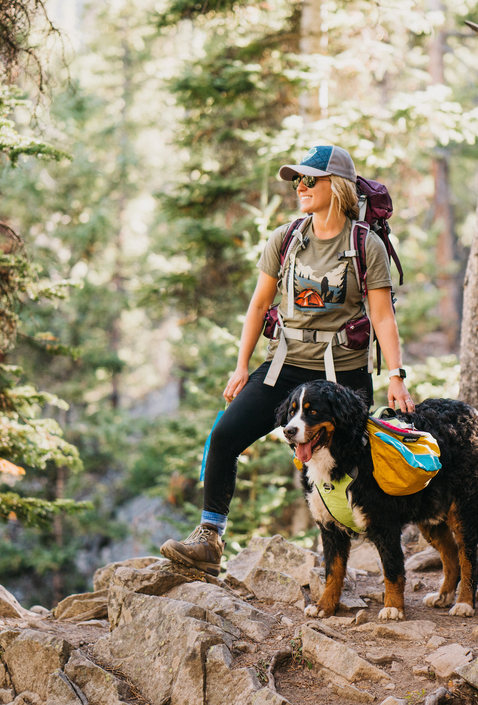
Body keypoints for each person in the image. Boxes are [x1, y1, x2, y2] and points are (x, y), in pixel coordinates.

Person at [160, 145, 415, 576]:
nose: (300, 186)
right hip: (285, 366)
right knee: (224, 438)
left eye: (309, 179)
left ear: (336, 186)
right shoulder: (286, 237)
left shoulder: (364, 244)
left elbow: (382, 315)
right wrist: (241, 366)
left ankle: (366, 551)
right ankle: (209, 537)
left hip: (343, 372)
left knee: (354, 465)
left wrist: (396, 376)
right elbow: (259, 305)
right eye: (296, 179)